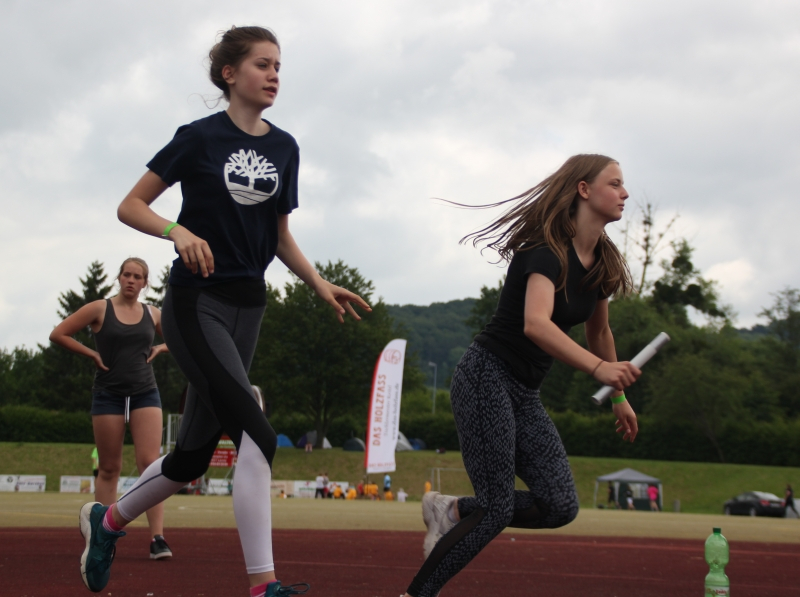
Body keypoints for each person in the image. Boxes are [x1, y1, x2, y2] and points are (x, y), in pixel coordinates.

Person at [77, 25, 369, 597]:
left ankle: (105, 521)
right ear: (230, 74)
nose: (274, 75)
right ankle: (264, 586)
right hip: (195, 303)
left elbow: (279, 234)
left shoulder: (285, 147)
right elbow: (130, 205)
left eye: (279, 66)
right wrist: (176, 231)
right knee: (257, 435)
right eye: (262, 65)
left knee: (190, 458)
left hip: (248, 306)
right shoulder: (198, 138)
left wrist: (318, 282)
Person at [402, 155, 641, 597]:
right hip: (485, 377)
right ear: (584, 190)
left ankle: (450, 510)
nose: (625, 193)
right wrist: (598, 368)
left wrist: (619, 398)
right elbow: (536, 323)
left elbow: (600, 331)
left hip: (524, 392)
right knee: (495, 510)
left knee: (560, 504)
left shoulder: (602, 260)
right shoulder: (546, 249)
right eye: (616, 183)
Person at [51, 258, 173, 562]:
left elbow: (181, 340)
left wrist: (162, 347)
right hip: (108, 394)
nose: (131, 280)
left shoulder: (153, 313)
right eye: (127, 274)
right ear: (119, 278)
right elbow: (59, 334)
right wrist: (92, 352)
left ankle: (157, 538)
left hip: (146, 392)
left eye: (138, 276)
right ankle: (102, 539)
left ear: (145, 283)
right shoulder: (99, 309)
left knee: (150, 465)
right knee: (109, 467)